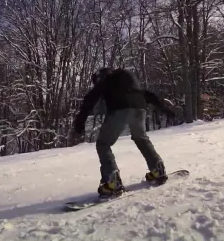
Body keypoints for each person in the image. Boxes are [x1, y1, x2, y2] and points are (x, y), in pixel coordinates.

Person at [73, 67, 177, 198]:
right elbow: (148, 95)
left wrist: (80, 120)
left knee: (103, 144)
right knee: (141, 138)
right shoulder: (128, 81)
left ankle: (112, 182)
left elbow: (91, 98)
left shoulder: (107, 80)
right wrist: (165, 109)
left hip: (120, 108)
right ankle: (158, 170)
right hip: (140, 107)